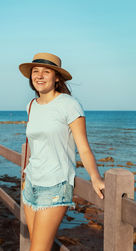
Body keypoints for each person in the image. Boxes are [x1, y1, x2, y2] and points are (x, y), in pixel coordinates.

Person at [19, 52, 105, 251]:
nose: (39, 76)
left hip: (55, 186)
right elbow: (35, 144)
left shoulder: (69, 104)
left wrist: (95, 177)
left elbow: (83, 146)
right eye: (36, 71)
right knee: (37, 246)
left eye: (46, 72)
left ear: (57, 77)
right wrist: (25, 179)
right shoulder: (31, 105)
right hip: (31, 182)